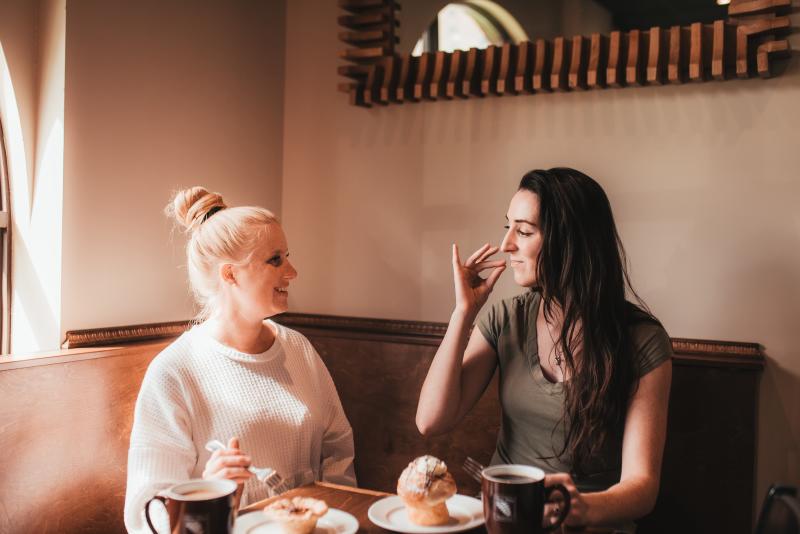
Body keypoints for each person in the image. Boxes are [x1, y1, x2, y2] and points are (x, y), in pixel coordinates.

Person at [415, 168, 672, 531]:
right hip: (504, 521)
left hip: (590, 525)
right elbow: (430, 420)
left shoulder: (642, 341)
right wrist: (463, 312)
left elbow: (642, 487)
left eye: (524, 231)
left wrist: (580, 508)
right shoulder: (506, 319)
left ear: (571, 241)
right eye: (508, 228)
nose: (506, 245)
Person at [124, 186, 356, 533]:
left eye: (287, 256)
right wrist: (207, 494)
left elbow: (338, 448)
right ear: (230, 274)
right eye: (275, 259)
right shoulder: (174, 372)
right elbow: (146, 511)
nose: (292, 272)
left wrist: (335, 517)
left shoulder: (299, 349)